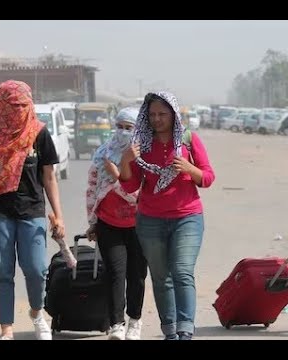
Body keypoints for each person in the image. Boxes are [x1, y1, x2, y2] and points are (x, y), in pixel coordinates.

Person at [0, 80, 65, 340]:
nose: (18, 110)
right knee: (3, 272)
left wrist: (58, 215)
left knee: (37, 269)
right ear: (1, 105)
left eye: (23, 105)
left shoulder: (39, 133)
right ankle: (7, 328)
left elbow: (49, 177)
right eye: (12, 105)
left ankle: (37, 313)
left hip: (32, 211)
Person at [119, 91, 215, 340]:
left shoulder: (188, 140)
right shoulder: (141, 144)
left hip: (187, 217)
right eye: (152, 114)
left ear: (173, 114)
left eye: (162, 113)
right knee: (161, 278)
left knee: (182, 271)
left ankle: (185, 330)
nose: (157, 119)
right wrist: (126, 162)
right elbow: (131, 186)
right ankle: (170, 332)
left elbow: (207, 177)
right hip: (150, 220)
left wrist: (189, 168)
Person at [85, 107, 147, 340]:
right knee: (115, 274)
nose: (122, 132)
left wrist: (120, 169)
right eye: (119, 126)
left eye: (128, 128)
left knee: (137, 274)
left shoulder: (145, 158)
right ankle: (116, 324)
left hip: (139, 225)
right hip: (108, 223)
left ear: (138, 131)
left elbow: (139, 195)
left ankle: (135, 320)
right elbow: (92, 188)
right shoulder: (103, 153)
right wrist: (92, 221)